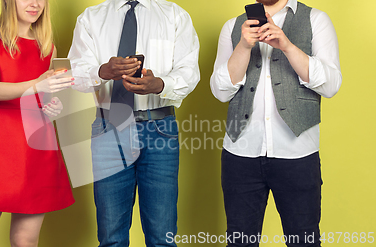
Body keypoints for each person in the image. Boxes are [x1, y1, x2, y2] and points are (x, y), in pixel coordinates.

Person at [68, 0, 200, 246]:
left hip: (159, 127)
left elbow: (189, 71)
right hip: (109, 129)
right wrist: (102, 71)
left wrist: (160, 84)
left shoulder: (174, 15)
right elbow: (75, 74)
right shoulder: (91, 17)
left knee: (162, 236)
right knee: (111, 237)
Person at [210, 0, 342, 246]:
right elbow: (220, 92)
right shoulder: (233, 27)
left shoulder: (316, 20)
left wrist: (288, 47)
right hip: (240, 153)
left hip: (297, 153)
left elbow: (331, 85)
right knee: (240, 241)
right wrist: (243, 47)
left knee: (304, 240)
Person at [0, 0, 75, 246]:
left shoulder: (47, 46)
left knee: (25, 241)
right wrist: (38, 85)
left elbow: (40, 99)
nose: (35, 3)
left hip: (36, 147)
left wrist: (52, 106)